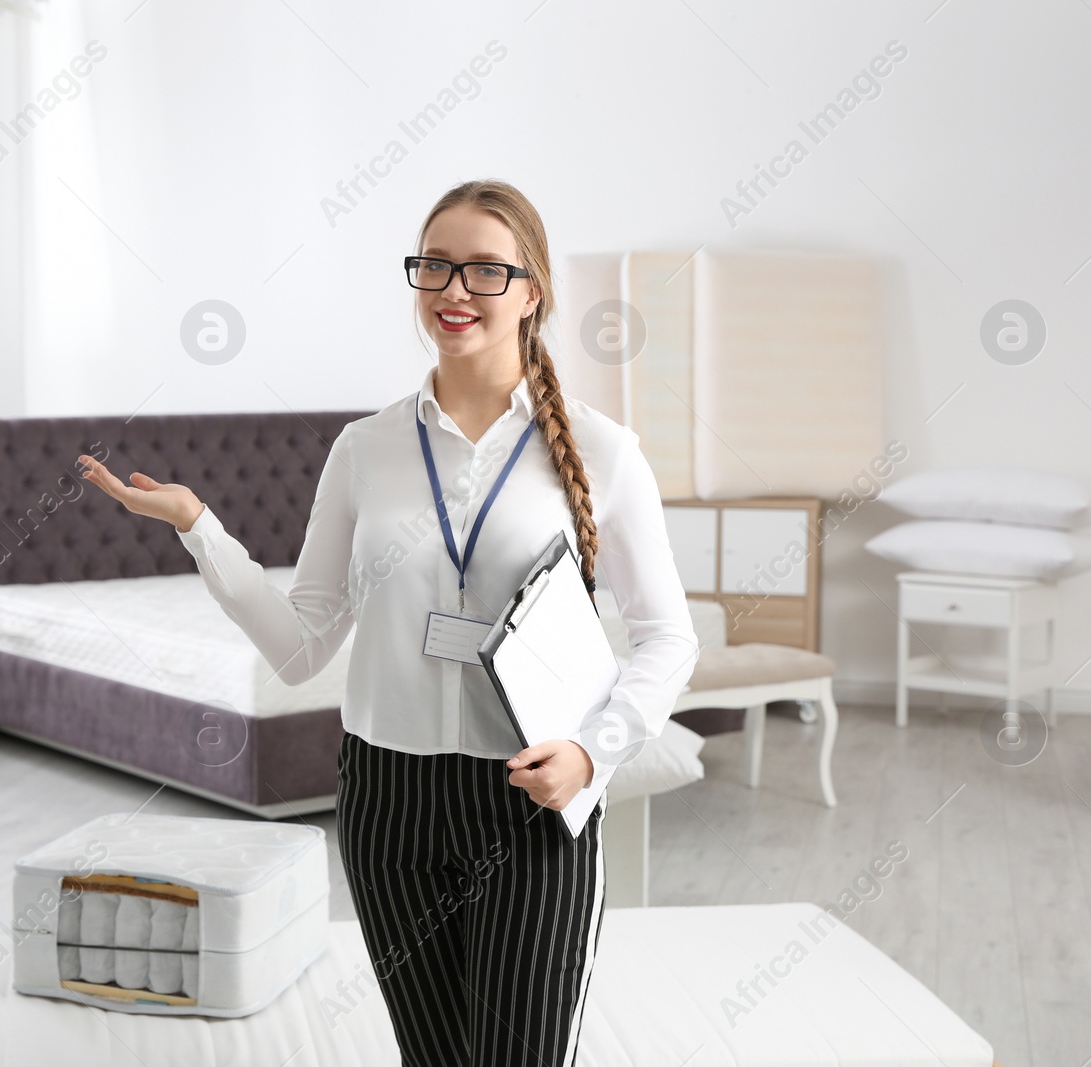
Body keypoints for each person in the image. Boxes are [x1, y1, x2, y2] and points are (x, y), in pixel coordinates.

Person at [79, 178, 698, 1066]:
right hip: (388, 800)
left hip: (532, 792)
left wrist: (595, 752)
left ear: (534, 292)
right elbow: (301, 646)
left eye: (486, 269)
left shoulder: (603, 450)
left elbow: (668, 635)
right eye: (436, 266)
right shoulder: (365, 449)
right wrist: (198, 528)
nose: (454, 289)